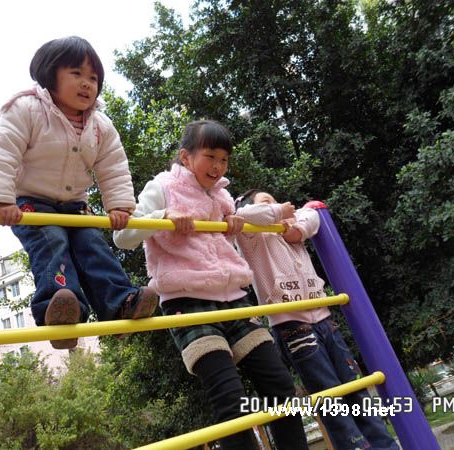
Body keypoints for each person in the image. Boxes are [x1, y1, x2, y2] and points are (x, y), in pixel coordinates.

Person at [113, 120, 309, 450]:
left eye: (224, 159)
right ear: (185, 157)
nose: (218, 166)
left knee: (279, 385)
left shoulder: (221, 195)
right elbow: (123, 237)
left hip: (233, 298)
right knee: (230, 398)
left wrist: (239, 220)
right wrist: (163, 217)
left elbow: (235, 228)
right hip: (187, 301)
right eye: (210, 156)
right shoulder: (162, 187)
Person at [0, 36, 157, 349]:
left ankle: (119, 304)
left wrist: (119, 206)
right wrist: (1, 199)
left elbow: (113, 167)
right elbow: (2, 151)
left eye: (93, 78)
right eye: (76, 73)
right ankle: (59, 310)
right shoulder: (27, 109)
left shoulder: (100, 125)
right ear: (50, 74)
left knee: (93, 246)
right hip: (31, 202)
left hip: (75, 205)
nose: (87, 84)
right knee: (52, 241)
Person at [235, 189, 400, 450]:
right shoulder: (253, 236)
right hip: (293, 326)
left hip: (325, 320)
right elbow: (242, 214)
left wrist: (294, 228)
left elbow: (312, 214)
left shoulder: (291, 227)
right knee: (330, 395)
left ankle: (386, 446)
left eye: (276, 201)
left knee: (355, 387)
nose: (278, 205)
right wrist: (278, 213)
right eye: (267, 202)